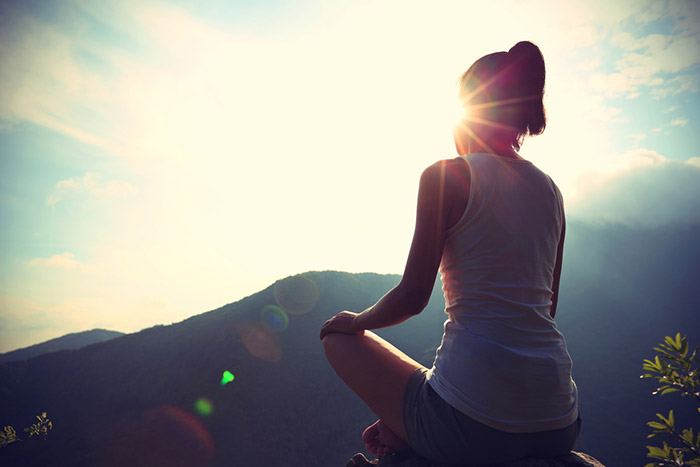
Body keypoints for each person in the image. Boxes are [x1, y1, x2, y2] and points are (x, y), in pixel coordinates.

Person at [319, 41, 580, 465]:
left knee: (336, 339)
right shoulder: (552, 192)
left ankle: (412, 430)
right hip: (559, 422)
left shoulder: (447, 175)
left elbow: (412, 297)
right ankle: (406, 427)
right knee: (436, 385)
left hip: (476, 428)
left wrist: (356, 321)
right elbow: (546, 306)